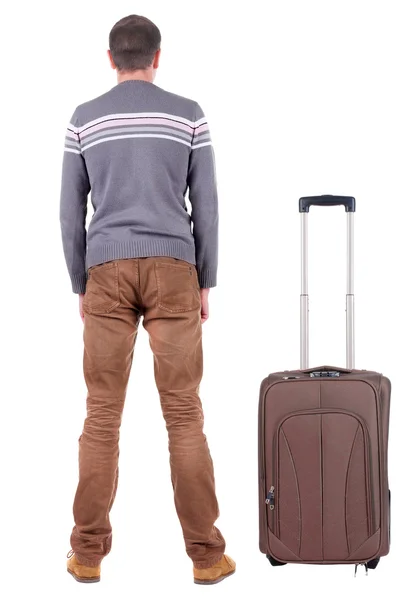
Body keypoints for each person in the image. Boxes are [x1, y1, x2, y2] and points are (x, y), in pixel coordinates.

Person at [60, 14, 235, 586]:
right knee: (184, 415)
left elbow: (70, 211)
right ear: (158, 58)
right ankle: (207, 558)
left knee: (102, 416)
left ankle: (86, 555)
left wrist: (79, 283)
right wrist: (204, 278)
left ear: (110, 59)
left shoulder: (83, 119)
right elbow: (205, 203)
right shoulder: (188, 114)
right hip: (174, 269)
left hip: (106, 268)